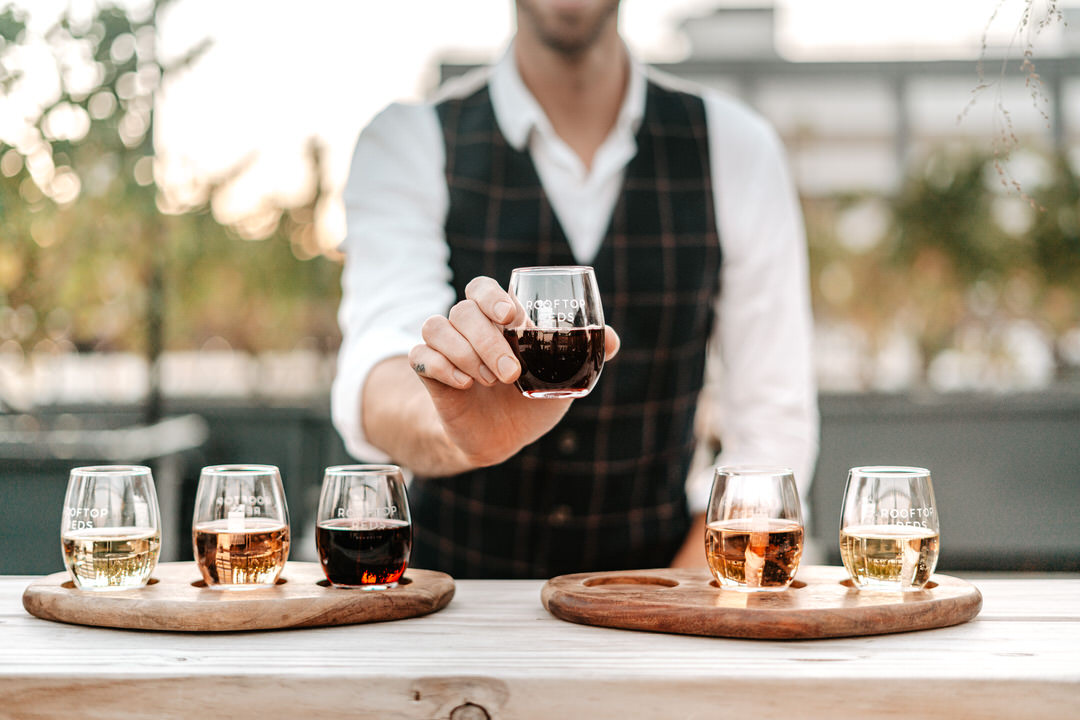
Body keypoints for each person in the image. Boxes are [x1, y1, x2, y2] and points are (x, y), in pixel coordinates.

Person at [331, 0, 818, 579]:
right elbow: (379, 367)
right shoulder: (408, 142)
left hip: (664, 602)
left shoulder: (737, 149)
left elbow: (772, 431)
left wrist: (670, 607)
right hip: (454, 613)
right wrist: (460, 434)